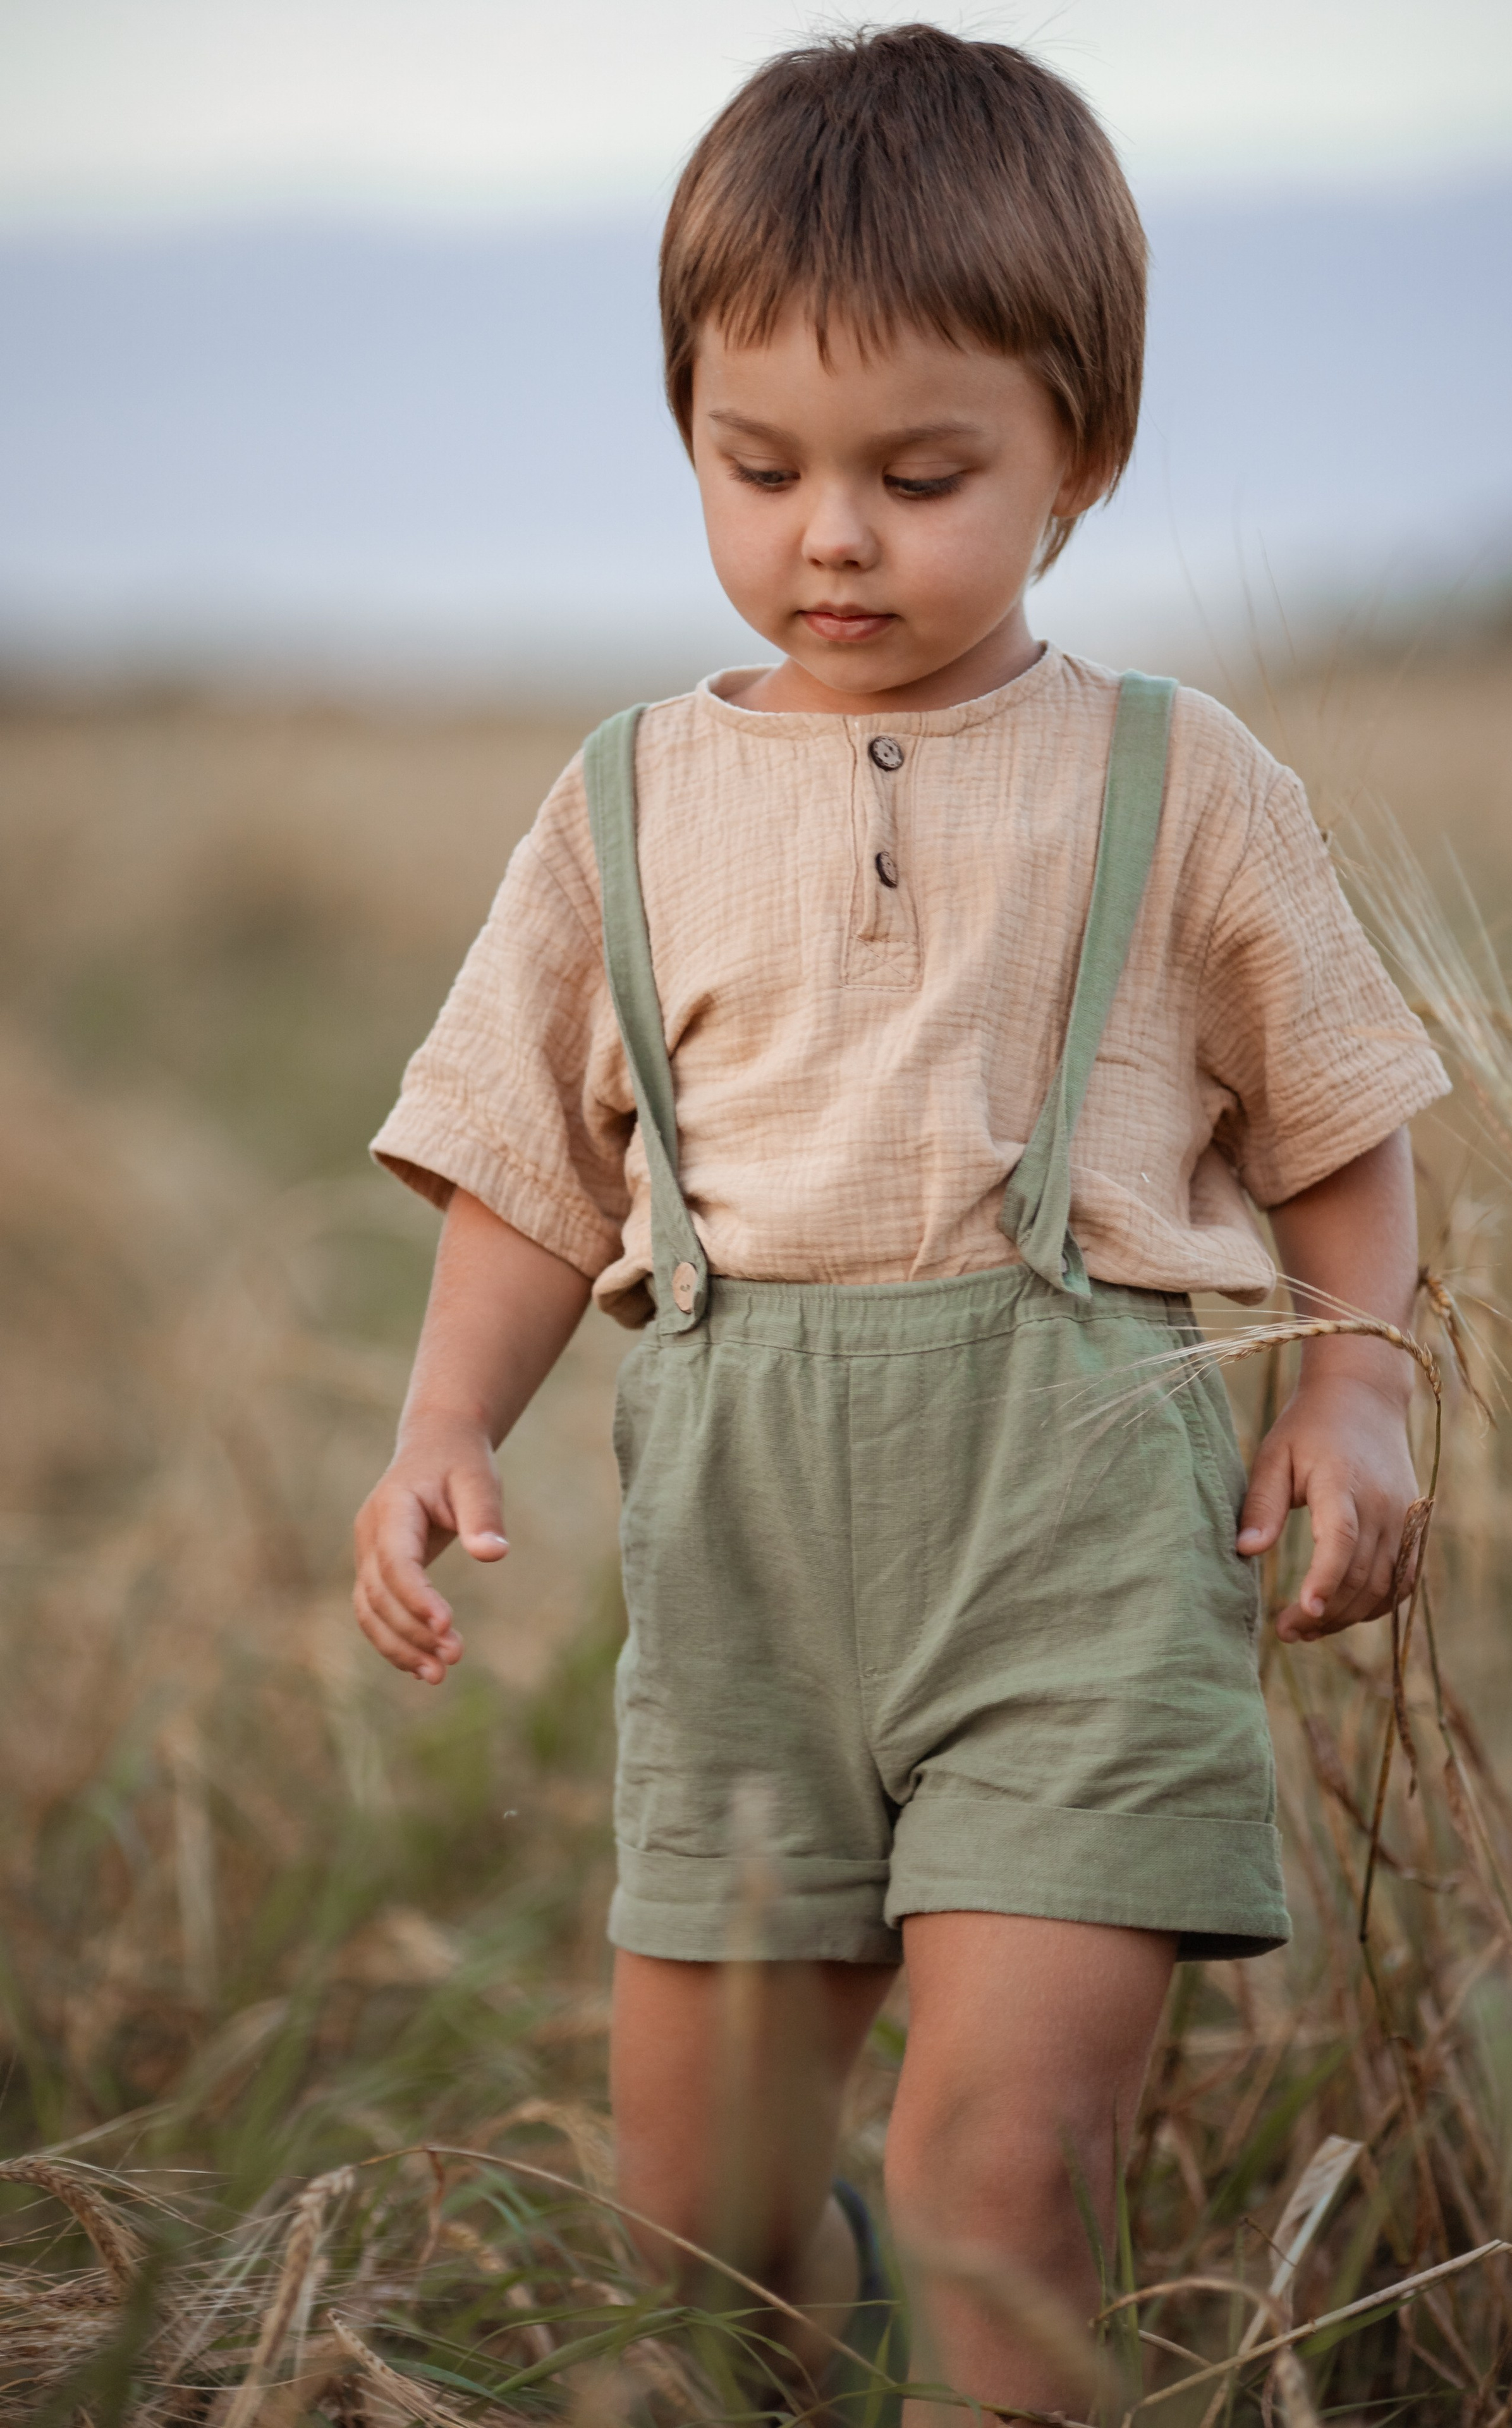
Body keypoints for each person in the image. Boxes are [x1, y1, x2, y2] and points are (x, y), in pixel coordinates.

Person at [353, 23, 1447, 2421]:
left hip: (1073, 1561)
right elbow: (545, 1159)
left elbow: (1346, 1127)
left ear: (1087, 457)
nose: (829, 534)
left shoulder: (1180, 782)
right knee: (696, 2240)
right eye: (757, 468)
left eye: (920, 474)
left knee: (998, 2179)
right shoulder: (626, 793)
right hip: (744, 1579)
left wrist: (1357, 1395)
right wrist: (449, 1419)